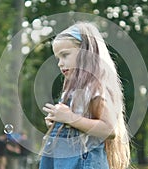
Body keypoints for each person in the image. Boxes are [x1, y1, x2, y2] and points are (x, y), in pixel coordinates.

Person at [39, 22, 130, 169]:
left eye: (65, 55)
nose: (60, 63)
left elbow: (108, 129)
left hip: (82, 162)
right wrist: (58, 124)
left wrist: (70, 118)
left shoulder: (95, 87)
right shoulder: (73, 91)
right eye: (58, 58)